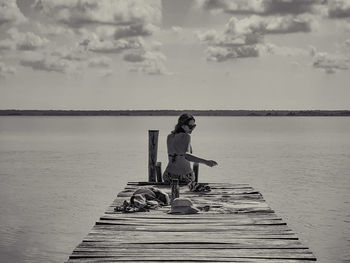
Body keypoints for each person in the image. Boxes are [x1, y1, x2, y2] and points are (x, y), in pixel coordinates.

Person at [163, 113, 218, 184]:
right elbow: (187, 156)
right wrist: (206, 162)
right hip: (184, 177)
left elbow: (176, 156)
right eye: (190, 126)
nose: (192, 128)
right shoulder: (186, 136)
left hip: (168, 175)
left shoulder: (170, 136)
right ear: (183, 126)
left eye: (194, 126)